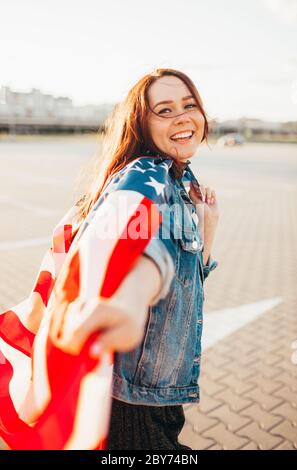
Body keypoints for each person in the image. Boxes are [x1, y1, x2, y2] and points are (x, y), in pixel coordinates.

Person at [65, 68, 219, 450]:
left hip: (159, 392)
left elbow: (182, 277)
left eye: (189, 104)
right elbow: (139, 246)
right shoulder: (146, 177)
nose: (183, 116)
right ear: (142, 124)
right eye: (164, 110)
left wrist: (207, 226)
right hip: (133, 399)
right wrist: (128, 300)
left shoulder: (180, 179)